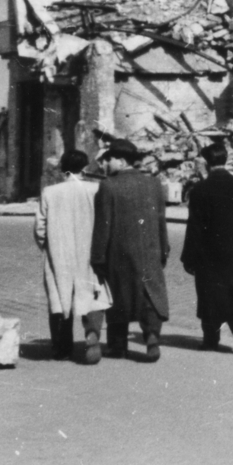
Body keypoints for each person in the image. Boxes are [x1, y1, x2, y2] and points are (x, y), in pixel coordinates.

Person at [89, 141, 170, 362]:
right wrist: (163, 249)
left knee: (118, 298)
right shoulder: (154, 184)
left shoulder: (108, 186)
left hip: (119, 253)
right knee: (149, 295)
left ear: (121, 160)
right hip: (150, 250)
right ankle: (151, 336)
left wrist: (98, 257)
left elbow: (102, 226)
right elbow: (161, 220)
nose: (105, 164)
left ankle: (118, 346)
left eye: (109, 159)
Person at [180, 139, 233, 352]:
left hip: (208, 253)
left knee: (209, 294)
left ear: (207, 163)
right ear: (226, 160)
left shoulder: (199, 190)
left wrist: (188, 257)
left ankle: (210, 339)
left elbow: (194, 227)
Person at [33, 148, 110, 364]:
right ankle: (92, 333)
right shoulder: (96, 189)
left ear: (62, 168)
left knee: (59, 296)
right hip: (90, 252)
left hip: (59, 252)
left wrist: (48, 246)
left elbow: (40, 228)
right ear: (85, 167)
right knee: (92, 294)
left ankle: (61, 347)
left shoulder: (50, 192)